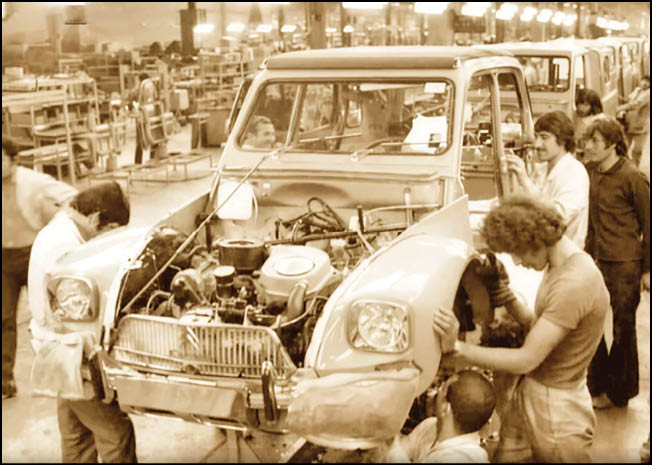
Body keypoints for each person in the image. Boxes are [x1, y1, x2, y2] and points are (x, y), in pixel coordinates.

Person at [433, 194, 610, 462]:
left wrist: (457, 348)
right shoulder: (560, 266)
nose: (516, 261)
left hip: (556, 411)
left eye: (517, 251)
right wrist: (505, 295)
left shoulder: (574, 283)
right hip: (536, 392)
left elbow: (526, 359)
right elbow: (538, 327)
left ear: (535, 240)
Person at [27, 181, 137, 463]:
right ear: (95, 218)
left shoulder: (62, 228)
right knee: (116, 434)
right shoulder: (65, 248)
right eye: (110, 230)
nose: (109, 238)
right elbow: (74, 312)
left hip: (56, 350)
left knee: (77, 438)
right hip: (70, 354)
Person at [582, 115, 650, 409]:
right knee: (590, 323)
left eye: (595, 141)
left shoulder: (632, 177)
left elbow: (649, 224)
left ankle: (619, 392)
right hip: (595, 261)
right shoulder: (589, 173)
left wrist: (647, 269)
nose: (588, 146)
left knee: (623, 329)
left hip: (625, 265)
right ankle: (596, 385)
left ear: (612, 144)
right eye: (587, 140)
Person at [2, 135, 77, 399]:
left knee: (50, 314)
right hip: (4, 259)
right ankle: (4, 381)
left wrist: (58, 224)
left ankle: (65, 375)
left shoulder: (34, 182)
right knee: (3, 318)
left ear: (13, 160)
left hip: (33, 254)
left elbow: (72, 196)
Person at [505, 110, 589, 249]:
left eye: (544, 137)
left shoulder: (575, 173)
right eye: (536, 137)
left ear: (563, 140)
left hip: (563, 255)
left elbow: (556, 218)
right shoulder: (541, 169)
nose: (537, 144)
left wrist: (525, 181)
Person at [384, 370, 495, 463]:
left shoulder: (464, 458)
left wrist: (389, 428)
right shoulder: (431, 425)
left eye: (442, 388)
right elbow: (400, 450)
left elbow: (393, 451)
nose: (437, 392)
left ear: (445, 408)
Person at [617, 75, 650, 166]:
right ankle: (624, 167)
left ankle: (634, 168)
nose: (645, 83)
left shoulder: (648, 94)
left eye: (647, 82)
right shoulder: (637, 90)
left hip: (641, 127)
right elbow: (629, 100)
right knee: (624, 147)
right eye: (643, 80)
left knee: (637, 150)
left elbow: (636, 104)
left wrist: (619, 108)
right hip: (630, 125)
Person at [574, 88, 604, 163]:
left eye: (585, 105)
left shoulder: (586, 122)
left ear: (593, 106)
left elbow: (577, 139)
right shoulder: (602, 116)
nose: (581, 108)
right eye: (579, 104)